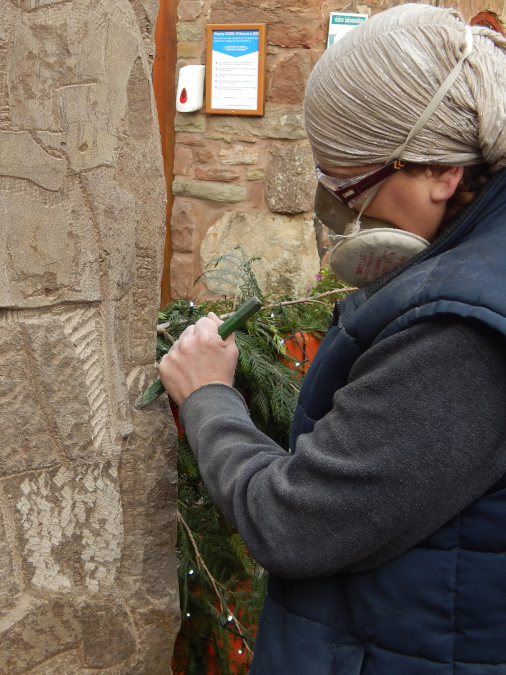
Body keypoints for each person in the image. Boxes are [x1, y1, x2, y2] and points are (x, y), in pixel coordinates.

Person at [158, 4, 506, 673]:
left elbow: (293, 523)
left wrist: (207, 396)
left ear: (443, 172)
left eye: (354, 188)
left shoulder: (460, 333)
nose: (346, 217)